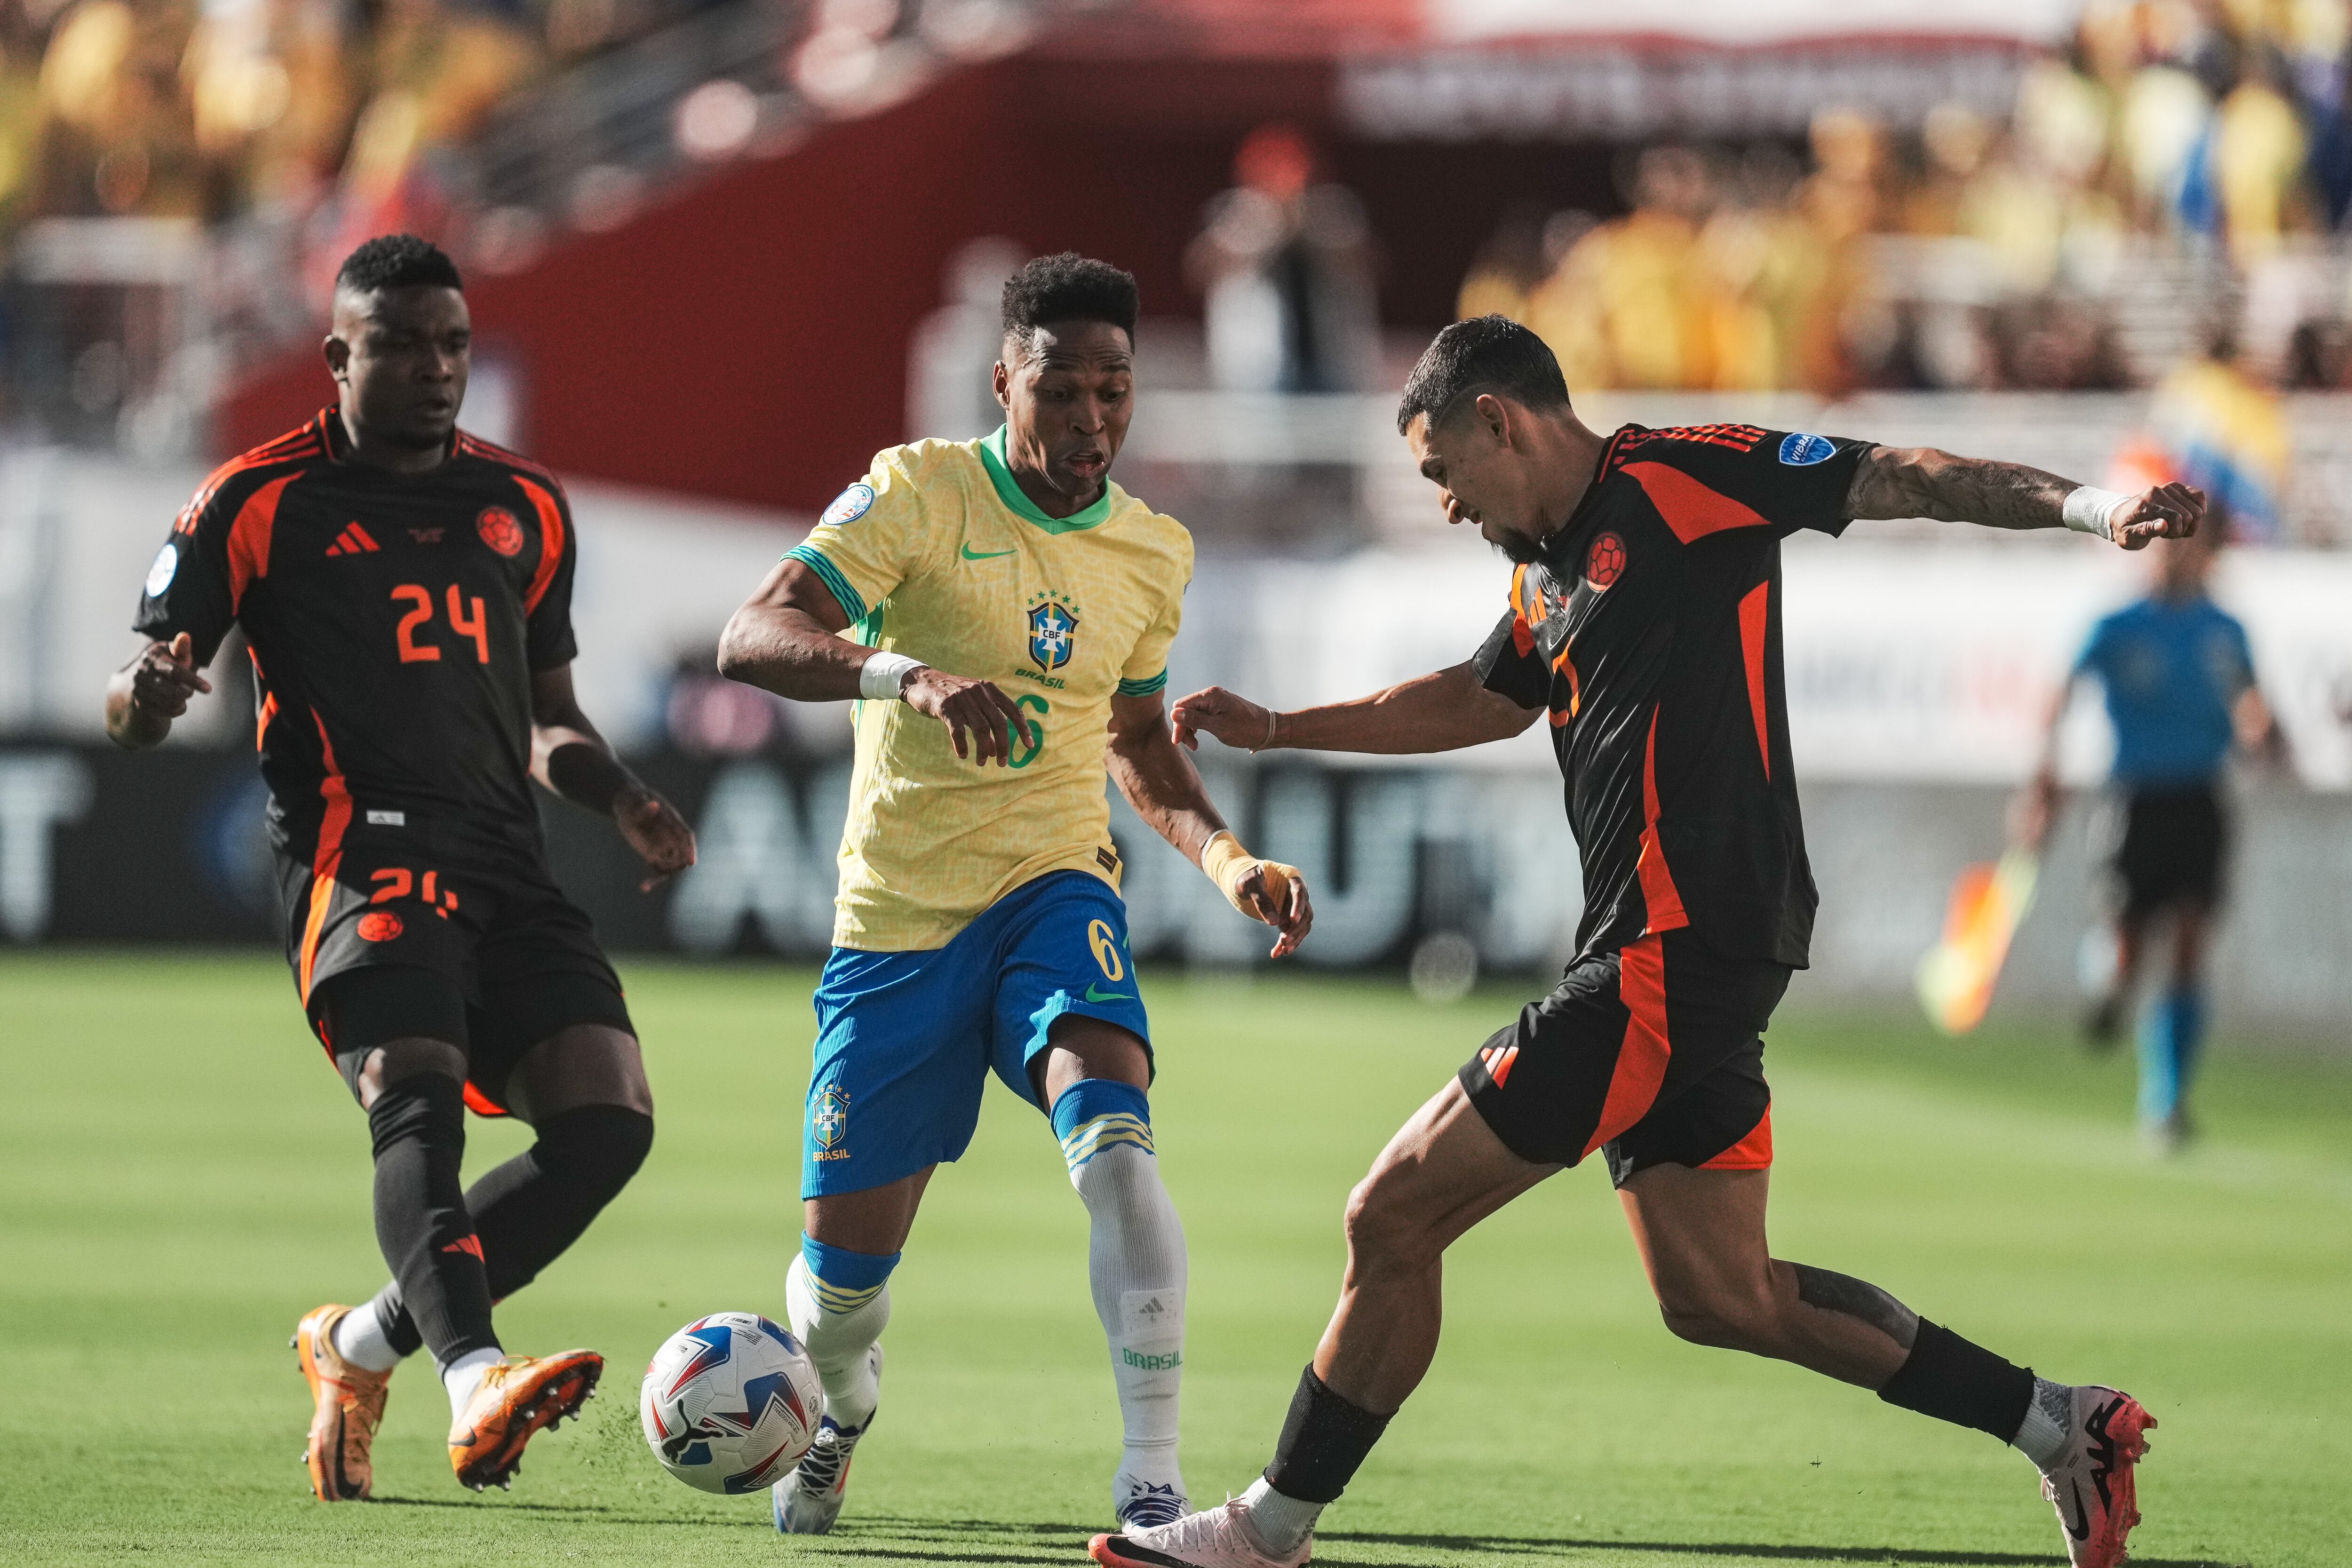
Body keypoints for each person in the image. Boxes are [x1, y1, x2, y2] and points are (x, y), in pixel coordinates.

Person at [1091, 316, 2202, 1568]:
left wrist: (2091, 507)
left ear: (1499, 421)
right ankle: (2065, 1425)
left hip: (1680, 943)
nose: (1447, 505)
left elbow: (1907, 474)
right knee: (1721, 1295)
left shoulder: (1688, 475)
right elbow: (1475, 697)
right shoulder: (1545, 571)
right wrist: (1284, 724)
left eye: (1440, 472)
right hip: (1676, 948)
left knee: (1390, 1216)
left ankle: (1268, 1530)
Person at [715, 252, 1314, 1536]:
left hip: (1054, 885)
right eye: (1063, 389)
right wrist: (904, 675)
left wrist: (1228, 862)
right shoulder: (916, 491)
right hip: (898, 922)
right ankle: (845, 1404)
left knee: (1114, 1144)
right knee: (837, 1302)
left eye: (1117, 389)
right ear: (1006, 381)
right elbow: (754, 630)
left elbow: (1138, 744)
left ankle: (1150, 1473)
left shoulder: (1154, 553)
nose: (1093, 419)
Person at [106, 233, 695, 1501]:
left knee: (610, 1118)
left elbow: (551, 715)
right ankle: (474, 1371)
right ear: (336, 356)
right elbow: (136, 693)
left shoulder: (526, 506)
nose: (437, 370)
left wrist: (624, 793)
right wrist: (148, 691)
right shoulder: (255, 501)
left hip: (506, 857)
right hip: (354, 848)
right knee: (414, 1090)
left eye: (454, 345)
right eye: (402, 345)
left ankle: (359, 1340)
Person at [2020, 523, 2280, 1149]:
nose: (2172, 555)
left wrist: (2263, 732)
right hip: (2133, 799)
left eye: (2185, 544)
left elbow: (2251, 701)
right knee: (2130, 948)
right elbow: (2059, 696)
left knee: (2191, 942)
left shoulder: (2224, 628)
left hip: (2200, 799)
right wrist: (2044, 777)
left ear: (2203, 552)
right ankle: (2109, 980)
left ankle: (2166, 1099)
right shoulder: (2117, 626)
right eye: (2163, 545)